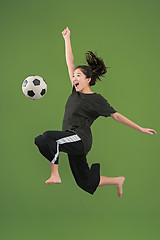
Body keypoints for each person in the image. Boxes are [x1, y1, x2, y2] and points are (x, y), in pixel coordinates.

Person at [34, 27, 157, 198]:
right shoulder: (75, 91)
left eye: (78, 76)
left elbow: (116, 116)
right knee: (83, 180)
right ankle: (117, 180)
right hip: (70, 137)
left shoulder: (96, 100)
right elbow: (70, 62)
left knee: (47, 137)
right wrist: (67, 39)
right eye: (74, 76)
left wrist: (140, 128)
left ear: (88, 79)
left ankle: (55, 174)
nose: (75, 78)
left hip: (79, 138)